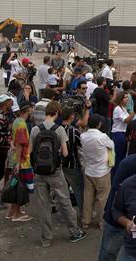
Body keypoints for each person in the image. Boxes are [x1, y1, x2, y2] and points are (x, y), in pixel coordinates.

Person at [30, 101, 87, 247]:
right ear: (56, 113)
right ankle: (74, 232)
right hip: (55, 171)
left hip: (39, 172)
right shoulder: (60, 129)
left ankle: (46, 239)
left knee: (44, 205)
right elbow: (66, 153)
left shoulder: (35, 129)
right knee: (65, 201)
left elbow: (30, 152)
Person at [80, 113, 114, 229]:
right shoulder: (102, 137)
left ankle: (86, 221)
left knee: (88, 197)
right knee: (102, 198)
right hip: (102, 171)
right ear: (99, 124)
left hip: (89, 170)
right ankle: (101, 221)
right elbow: (111, 145)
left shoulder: (83, 136)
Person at [7, 101, 35, 221]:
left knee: (15, 185)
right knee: (20, 187)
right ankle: (17, 214)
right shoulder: (22, 125)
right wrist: (18, 163)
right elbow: (20, 145)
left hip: (16, 158)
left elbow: (13, 141)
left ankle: (12, 211)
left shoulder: (16, 121)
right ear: (28, 110)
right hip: (22, 160)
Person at [61, 105, 87, 226]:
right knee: (79, 191)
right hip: (73, 164)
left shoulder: (57, 129)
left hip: (60, 165)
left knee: (61, 192)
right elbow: (81, 146)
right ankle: (82, 215)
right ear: (72, 117)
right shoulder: (73, 131)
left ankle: (63, 215)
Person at [111, 91, 134, 170]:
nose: (127, 99)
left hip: (123, 133)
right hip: (118, 134)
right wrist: (134, 112)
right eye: (125, 97)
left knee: (122, 156)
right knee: (118, 157)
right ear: (120, 99)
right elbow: (126, 120)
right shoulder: (118, 109)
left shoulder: (123, 109)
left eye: (127, 97)